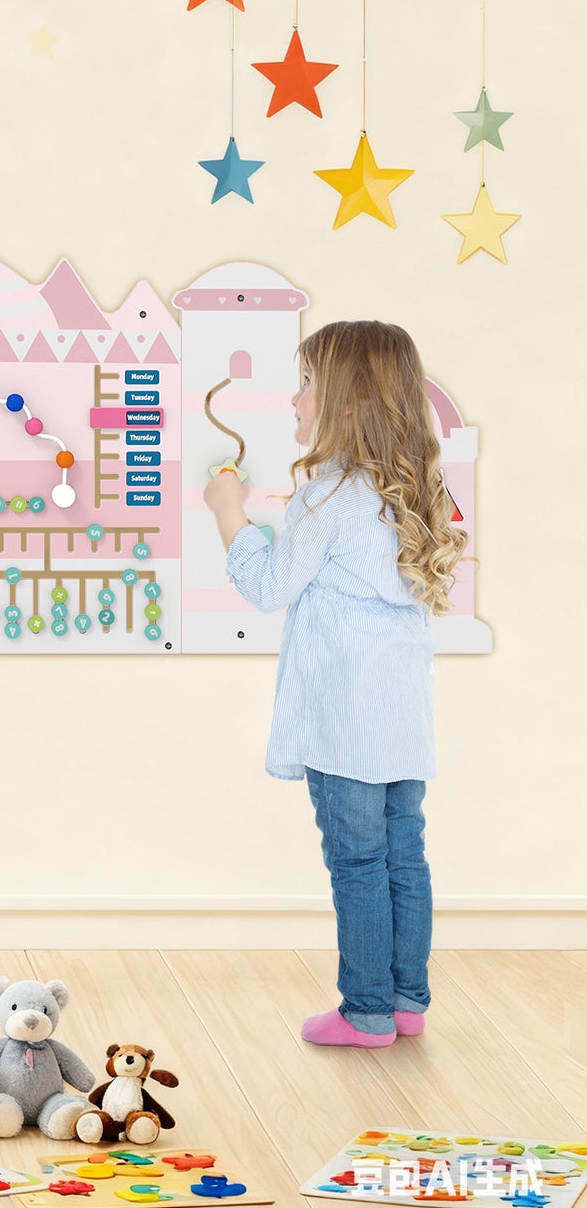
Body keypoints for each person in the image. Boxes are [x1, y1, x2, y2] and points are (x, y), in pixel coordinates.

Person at [203, 322, 467, 1048]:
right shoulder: (411, 489)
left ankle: (366, 1010)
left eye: (307, 384)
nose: (294, 397)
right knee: (401, 851)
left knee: (356, 859)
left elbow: (267, 585)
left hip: (342, 719)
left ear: (346, 404)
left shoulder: (327, 495)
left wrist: (230, 515)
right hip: (401, 718)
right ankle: (406, 999)